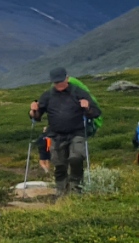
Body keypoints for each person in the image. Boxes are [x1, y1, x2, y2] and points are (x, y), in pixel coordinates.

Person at [30, 67, 101, 198]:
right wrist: (33, 111)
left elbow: (96, 113)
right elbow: (37, 117)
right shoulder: (48, 95)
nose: (59, 85)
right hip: (56, 135)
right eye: (56, 82)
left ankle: (76, 187)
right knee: (59, 163)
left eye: (61, 81)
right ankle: (61, 190)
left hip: (77, 132)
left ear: (67, 78)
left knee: (76, 157)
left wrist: (88, 107)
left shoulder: (79, 92)